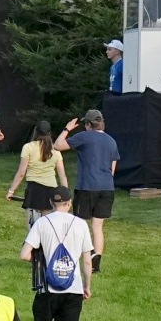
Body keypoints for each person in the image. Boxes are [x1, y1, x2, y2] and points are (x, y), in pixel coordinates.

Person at [18, 188, 93, 321]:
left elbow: (25, 254)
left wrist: (42, 261)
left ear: (52, 203)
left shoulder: (42, 223)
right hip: (74, 287)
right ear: (69, 203)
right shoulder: (80, 224)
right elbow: (87, 260)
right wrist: (87, 286)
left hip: (47, 287)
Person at [61, 110, 119, 262]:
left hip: (86, 186)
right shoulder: (111, 141)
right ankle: (96, 259)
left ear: (88, 124)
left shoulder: (84, 137)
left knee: (79, 224)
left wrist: (67, 129)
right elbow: (113, 166)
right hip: (107, 187)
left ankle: (80, 255)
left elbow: (57, 145)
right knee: (98, 227)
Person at [4, 120, 67, 226]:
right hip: (51, 190)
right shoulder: (55, 150)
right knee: (48, 226)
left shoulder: (28, 147)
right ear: (49, 133)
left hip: (34, 190)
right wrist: (66, 195)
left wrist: (11, 191)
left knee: (33, 229)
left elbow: (21, 173)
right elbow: (62, 175)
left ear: (35, 132)